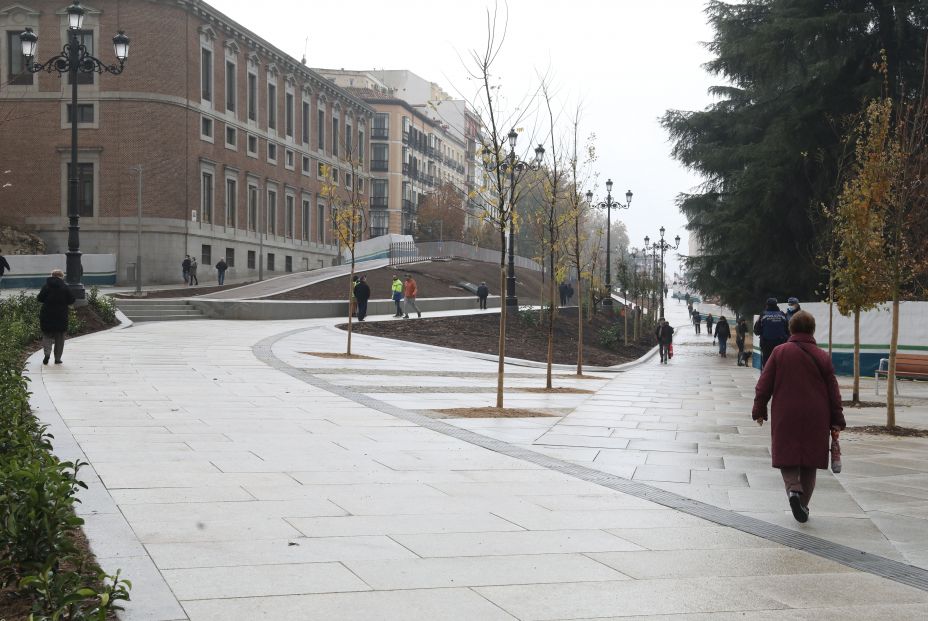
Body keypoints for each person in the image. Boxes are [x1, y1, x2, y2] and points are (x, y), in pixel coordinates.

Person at [752, 310, 846, 523]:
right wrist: (837, 420)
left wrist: (759, 410)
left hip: (786, 412)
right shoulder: (822, 356)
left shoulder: (779, 352)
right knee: (809, 462)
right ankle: (803, 505)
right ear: (812, 330)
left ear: (790, 329)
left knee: (787, 456)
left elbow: (763, 386)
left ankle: (793, 490)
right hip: (816, 414)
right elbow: (833, 391)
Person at [37, 269, 75, 365]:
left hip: (47, 314)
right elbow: (71, 300)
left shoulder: (46, 286)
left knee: (47, 335)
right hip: (61, 315)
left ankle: (47, 354)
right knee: (60, 338)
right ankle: (57, 358)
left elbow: (40, 298)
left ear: (52, 275)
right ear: (62, 277)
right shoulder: (65, 287)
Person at [754, 297, 789, 370]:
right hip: (780, 344)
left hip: (766, 345)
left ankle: (767, 378)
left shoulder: (763, 315)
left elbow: (757, 331)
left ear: (767, 305)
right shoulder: (782, 315)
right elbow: (788, 330)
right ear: (776, 305)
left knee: (767, 364)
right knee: (779, 364)